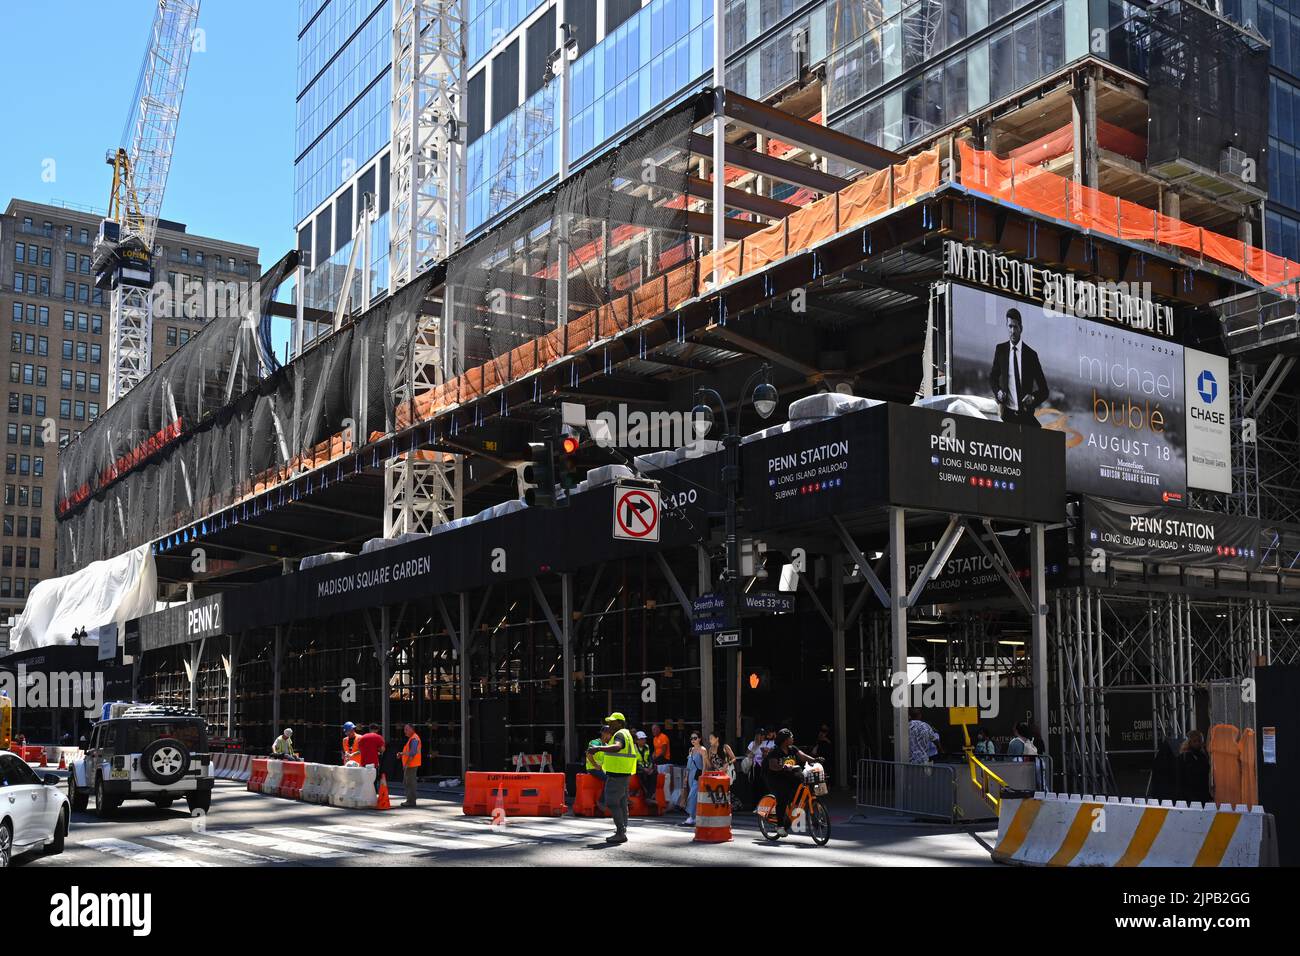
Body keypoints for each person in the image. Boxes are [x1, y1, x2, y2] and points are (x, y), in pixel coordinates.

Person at [988, 307, 1048, 426]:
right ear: (1007, 326)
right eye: (1010, 326)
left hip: (1026, 417)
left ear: (1021, 328)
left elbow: (1044, 391)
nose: (1012, 331)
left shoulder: (1031, 355)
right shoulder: (1001, 350)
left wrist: (1033, 398)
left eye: (1015, 327)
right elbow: (992, 378)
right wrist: (998, 392)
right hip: (1007, 417)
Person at [586, 712, 639, 844]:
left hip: (617, 774)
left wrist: (598, 748)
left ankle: (620, 832)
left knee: (611, 802)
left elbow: (617, 747)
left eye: (612, 722)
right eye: (609, 722)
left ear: (620, 723)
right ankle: (622, 829)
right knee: (621, 802)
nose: (609, 724)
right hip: (622, 773)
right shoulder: (626, 734)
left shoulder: (620, 734)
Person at [763, 728, 819, 838]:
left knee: (802, 786)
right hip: (775, 778)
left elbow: (803, 756)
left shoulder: (792, 749)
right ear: (785, 740)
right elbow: (772, 766)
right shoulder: (775, 751)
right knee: (783, 796)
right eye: (791, 737)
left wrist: (815, 760)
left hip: (790, 777)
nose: (793, 738)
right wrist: (783, 767)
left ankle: (790, 812)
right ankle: (780, 826)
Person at [1176, 730, 1213, 804]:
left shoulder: (1203, 756)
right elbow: (1179, 779)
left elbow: (1205, 778)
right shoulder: (1183, 757)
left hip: (1202, 796)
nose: (1197, 743)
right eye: (1194, 741)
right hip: (1188, 797)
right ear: (1189, 742)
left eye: (1199, 741)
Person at [586, 725, 612, 813]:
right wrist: (595, 764)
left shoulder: (607, 745)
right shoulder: (595, 743)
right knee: (609, 779)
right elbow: (589, 754)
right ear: (604, 734)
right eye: (609, 734)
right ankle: (601, 801)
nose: (610, 736)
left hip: (601, 769)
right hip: (592, 768)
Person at [682, 731, 706, 826]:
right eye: (691, 738)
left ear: (699, 739)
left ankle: (691, 816)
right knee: (694, 796)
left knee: (692, 796)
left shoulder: (702, 749)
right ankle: (695, 816)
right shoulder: (691, 750)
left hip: (698, 775)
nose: (693, 740)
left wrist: (703, 777)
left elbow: (704, 765)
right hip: (690, 775)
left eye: (695, 738)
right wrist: (686, 777)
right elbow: (688, 765)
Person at [633, 730, 658, 812]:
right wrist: (644, 769)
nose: (643, 741)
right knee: (642, 774)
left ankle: (650, 796)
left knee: (654, 773)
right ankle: (648, 797)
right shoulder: (633, 748)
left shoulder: (647, 747)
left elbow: (650, 759)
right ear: (637, 740)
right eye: (641, 739)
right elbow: (634, 761)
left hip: (647, 768)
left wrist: (650, 768)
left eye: (644, 739)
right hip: (637, 768)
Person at [357, 722, 386, 793]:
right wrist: (378, 750)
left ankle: (365, 794)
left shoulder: (362, 737)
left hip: (363, 763)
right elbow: (382, 749)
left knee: (364, 780)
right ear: (377, 730)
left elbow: (359, 749)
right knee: (374, 780)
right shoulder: (378, 737)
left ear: (369, 729)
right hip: (374, 763)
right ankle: (374, 795)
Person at [399, 723, 422, 807]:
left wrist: (407, 764)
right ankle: (410, 800)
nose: (405, 732)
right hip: (411, 764)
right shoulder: (412, 739)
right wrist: (402, 754)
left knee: (410, 783)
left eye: (406, 729)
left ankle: (411, 801)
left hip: (411, 765)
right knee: (408, 782)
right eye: (404, 729)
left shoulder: (414, 739)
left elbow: (412, 753)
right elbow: (410, 752)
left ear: (412, 729)